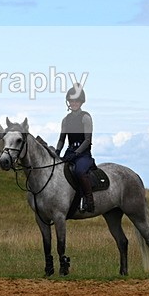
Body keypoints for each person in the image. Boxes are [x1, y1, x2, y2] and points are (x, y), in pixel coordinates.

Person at [56, 84, 95, 212]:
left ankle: (89, 200)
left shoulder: (86, 118)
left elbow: (87, 140)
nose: (74, 103)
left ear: (81, 102)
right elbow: (62, 139)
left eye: (76, 100)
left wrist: (77, 153)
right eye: (71, 100)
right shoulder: (65, 120)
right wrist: (57, 151)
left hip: (83, 153)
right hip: (69, 151)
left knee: (79, 171)